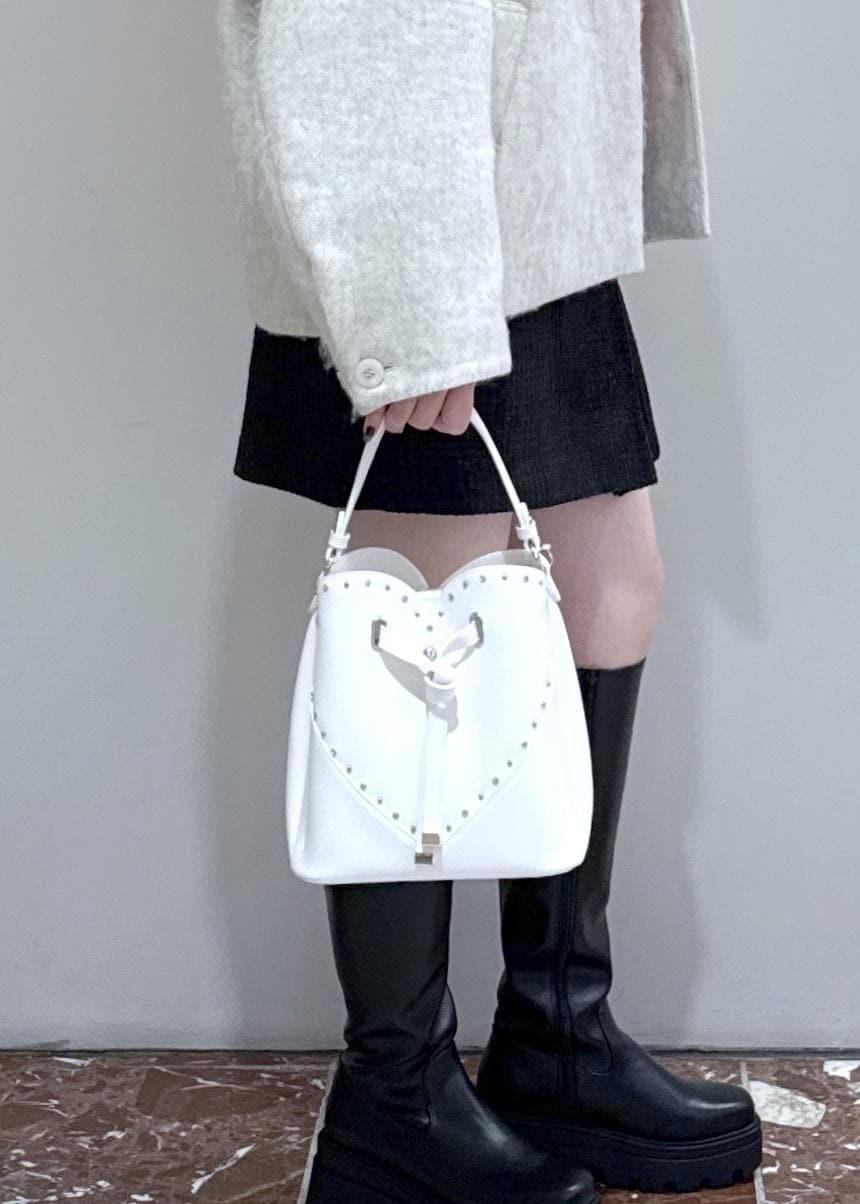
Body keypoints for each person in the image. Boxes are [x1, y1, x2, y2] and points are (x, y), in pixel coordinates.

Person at [215, 0, 763, 1198]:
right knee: (417, 648)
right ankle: (394, 1098)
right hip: (427, 215)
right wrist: (409, 301)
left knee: (607, 590)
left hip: (524, 200)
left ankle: (555, 1033)